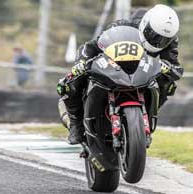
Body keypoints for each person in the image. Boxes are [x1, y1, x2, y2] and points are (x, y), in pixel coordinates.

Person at [57, 4, 183, 145]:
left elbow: (176, 69)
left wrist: (168, 67)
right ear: (145, 26)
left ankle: (146, 117)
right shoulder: (122, 26)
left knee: (169, 83)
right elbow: (89, 47)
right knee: (71, 81)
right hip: (114, 69)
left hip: (142, 74)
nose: (158, 42)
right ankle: (76, 125)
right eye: (154, 35)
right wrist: (81, 62)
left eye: (163, 40)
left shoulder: (170, 40)